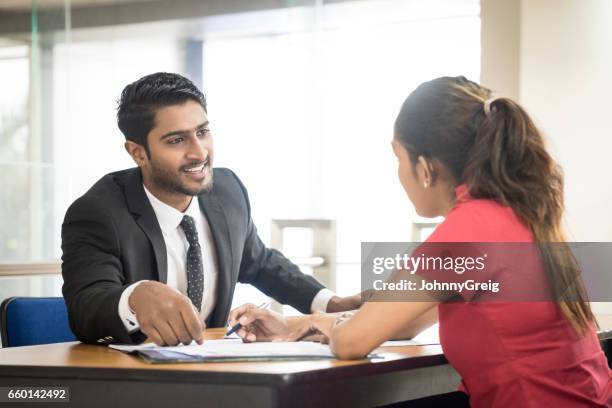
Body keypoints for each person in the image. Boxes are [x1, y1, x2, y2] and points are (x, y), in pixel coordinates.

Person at [229, 76, 612, 407]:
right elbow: (404, 323)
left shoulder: (464, 235)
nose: (398, 173)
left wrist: (323, 326)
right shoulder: (518, 215)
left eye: (398, 158)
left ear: (426, 168)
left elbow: (353, 342)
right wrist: (298, 325)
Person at [61, 72, 360, 346]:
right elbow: (86, 307)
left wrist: (330, 304)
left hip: (213, 371)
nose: (199, 152)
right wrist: (134, 298)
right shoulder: (98, 212)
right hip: (131, 382)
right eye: (177, 140)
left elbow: (260, 263)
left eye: (202, 132)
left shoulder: (227, 190)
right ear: (138, 152)